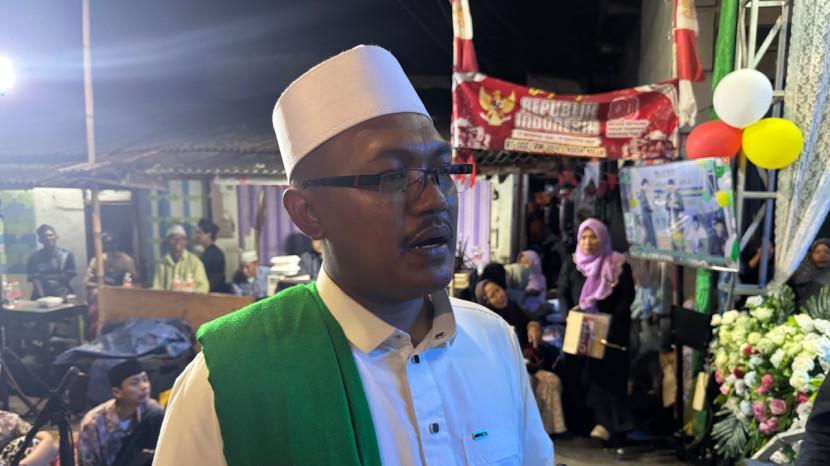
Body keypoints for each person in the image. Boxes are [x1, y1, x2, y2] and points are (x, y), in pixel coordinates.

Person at [153, 45, 552, 465]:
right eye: (393, 177)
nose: (435, 200)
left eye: (441, 171)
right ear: (308, 213)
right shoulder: (229, 380)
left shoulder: (492, 341)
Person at [557, 218, 635, 442]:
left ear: (602, 239)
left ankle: (612, 426)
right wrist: (569, 316)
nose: (588, 242)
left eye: (593, 237)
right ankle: (585, 424)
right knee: (581, 376)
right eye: (584, 237)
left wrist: (608, 323)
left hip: (610, 334)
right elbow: (562, 291)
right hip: (580, 331)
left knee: (609, 378)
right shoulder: (572, 263)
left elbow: (627, 297)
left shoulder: (618, 264)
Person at [475, 279, 566, 436]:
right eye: (493, 295)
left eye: (498, 290)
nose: (499, 296)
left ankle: (546, 432)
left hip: (526, 365)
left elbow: (529, 320)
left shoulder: (513, 308)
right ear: (486, 301)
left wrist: (533, 325)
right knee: (527, 384)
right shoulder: (488, 322)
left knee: (552, 381)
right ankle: (526, 432)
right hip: (503, 372)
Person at [79, 360, 163, 466]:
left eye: (145, 379)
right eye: (134, 383)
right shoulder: (93, 423)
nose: (144, 386)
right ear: (117, 392)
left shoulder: (151, 409)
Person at [151, 225, 209, 293]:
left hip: (189, 299)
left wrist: (187, 294)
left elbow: (203, 287)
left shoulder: (195, 262)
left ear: (185, 242)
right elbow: (157, 288)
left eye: (181, 238)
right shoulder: (162, 264)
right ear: (168, 241)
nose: (178, 241)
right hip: (168, 300)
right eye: (174, 238)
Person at [26, 224, 76, 299]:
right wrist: (43, 298)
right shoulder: (33, 258)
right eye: (44, 236)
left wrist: (46, 277)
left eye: (50, 235)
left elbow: (69, 275)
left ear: (56, 237)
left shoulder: (67, 255)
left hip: (63, 292)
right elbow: (35, 280)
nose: (48, 238)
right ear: (40, 240)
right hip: (41, 294)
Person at [789, 238, 830, 306]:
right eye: (817, 252)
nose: (822, 255)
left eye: (827, 252)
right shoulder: (799, 275)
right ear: (811, 255)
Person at [196, 218, 226, 293]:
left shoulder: (216, 254)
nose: (197, 236)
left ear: (209, 234)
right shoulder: (205, 253)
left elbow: (216, 279)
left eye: (200, 233)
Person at [518, 250, 547, 316]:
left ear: (535, 262)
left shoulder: (539, 278)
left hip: (534, 312)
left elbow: (537, 295)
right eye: (520, 262)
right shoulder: (517, 277)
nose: (522, 265)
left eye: (526, 262)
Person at [664, 179, 685, 252]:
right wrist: (668, 205)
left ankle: (683, 255)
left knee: (680, 241)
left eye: (672, 187)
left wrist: (676, 206)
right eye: (669, 188)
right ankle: (675, 257)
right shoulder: (667, 196)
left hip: (678, 221)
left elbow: (682, 207)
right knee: (673, 241)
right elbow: (666, 207)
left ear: (675, 186)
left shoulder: (679, 195)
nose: (670, 189)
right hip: (671, 221)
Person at [638, 179, 657, 248]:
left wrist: (651, 209)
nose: (647, 187)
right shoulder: (642, 193)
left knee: (649, 232)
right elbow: (644, 205)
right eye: (646, 185)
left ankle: (651, 245)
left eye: (648, 185)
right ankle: (652, 246)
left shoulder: (644, 193)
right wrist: (651, 209)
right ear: (642, 186)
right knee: (649, 232)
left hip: (647, 215)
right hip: (646, 216)